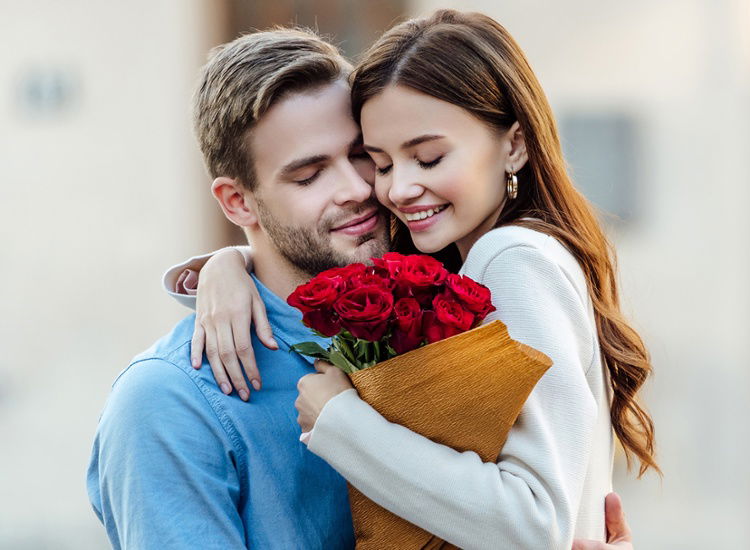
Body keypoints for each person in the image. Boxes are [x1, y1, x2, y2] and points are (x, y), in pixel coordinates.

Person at [167, 9, 658, 549]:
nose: (396, 189)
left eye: (428, 158)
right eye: (381, 162)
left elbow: (535, 527)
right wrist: (228, 264)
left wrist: (339, 422)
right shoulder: (457, 262)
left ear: (514, 144)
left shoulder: (510, 257)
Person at [86, 28, 391, 548]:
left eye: (361, 154)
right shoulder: (167, 402)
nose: (358, 188)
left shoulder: (435, 314)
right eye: (310, 175)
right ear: (237, 203)